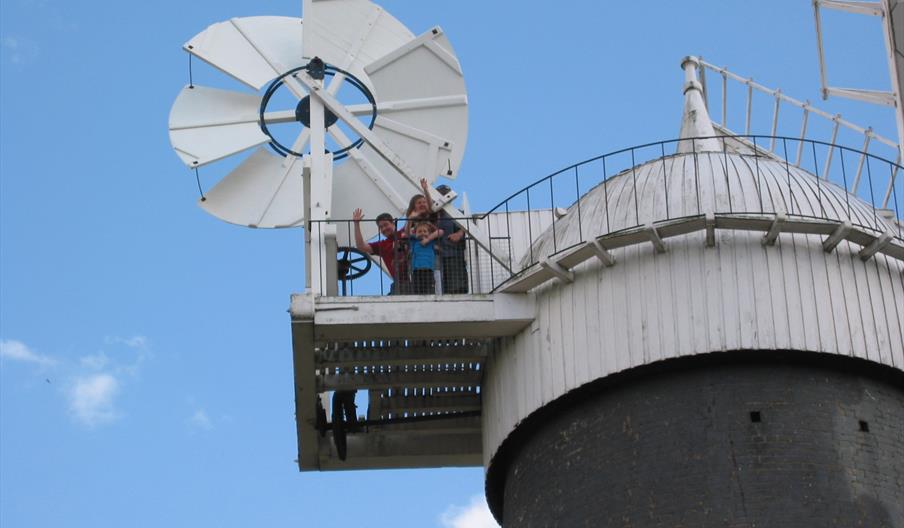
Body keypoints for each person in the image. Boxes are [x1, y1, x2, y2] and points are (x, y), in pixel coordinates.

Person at [352, 208, 409, 294]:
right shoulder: (382, 245)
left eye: (386, 225)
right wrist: (356, 224)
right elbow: (361, 246)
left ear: (393, 223)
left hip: (416, 279)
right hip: (399, 285)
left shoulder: (405, 232)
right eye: (380, 227)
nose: (384, 229)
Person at [434, 184, 469, 293]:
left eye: (445, 194)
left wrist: (459, 233)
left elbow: (470, 225)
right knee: (440, 289)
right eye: (441, 194)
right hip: (436, 259)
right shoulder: (431, 215)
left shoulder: (457, 213)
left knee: (456, 288)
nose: (443, 197)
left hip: (454, 256)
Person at [410, 221, 444, 294]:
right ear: (415, 233)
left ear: (429, 233)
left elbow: (440, 231)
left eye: (425, 231)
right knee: (417, 290)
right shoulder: (414, 241)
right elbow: (406, 234)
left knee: (428, 289)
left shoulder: (431, 242)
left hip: (428, 270)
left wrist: (428, 239)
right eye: (419, 231)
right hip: (416, 270)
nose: (422, 233)